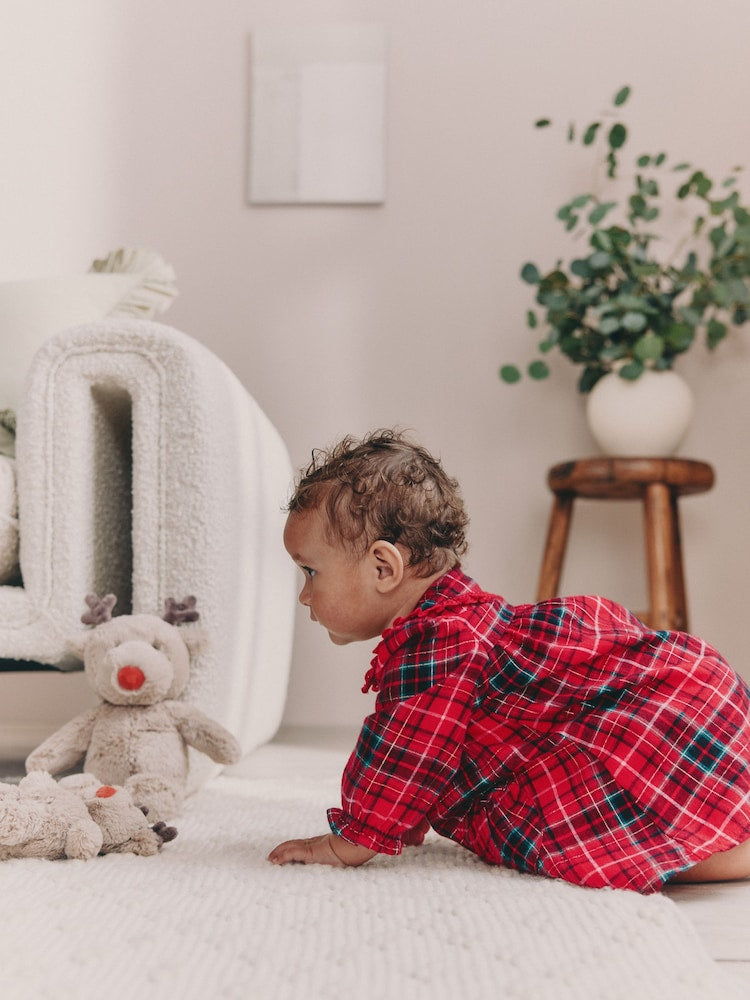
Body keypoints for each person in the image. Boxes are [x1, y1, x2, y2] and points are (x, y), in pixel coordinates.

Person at [268, 429, 750, 892]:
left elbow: (403, 757)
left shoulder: (436, 644)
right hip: (676, 692)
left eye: (310, 571)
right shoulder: (459, 626)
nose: (304, 595)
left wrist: (348, 841)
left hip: (645, 720)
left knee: (606, 842)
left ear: (383, 568)